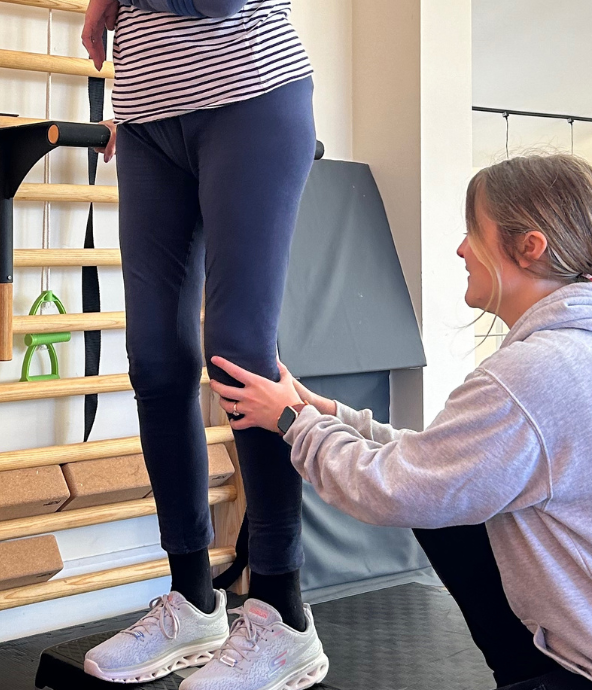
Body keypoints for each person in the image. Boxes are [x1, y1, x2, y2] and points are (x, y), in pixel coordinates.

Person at [63, 0, 325, 688]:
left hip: (251, 104)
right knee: (154, 358)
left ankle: (284, 613)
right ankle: (193, 599)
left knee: (240, 351)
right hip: (155, 117)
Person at [212, 153, 592, 690]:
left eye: (472, 231)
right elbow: (447, 461)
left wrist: (293, 422)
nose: (461, 248)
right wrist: (325, 413)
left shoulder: (533, 376)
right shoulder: (571, 351)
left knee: (438, 504)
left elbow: (399, 489)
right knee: (450, 500)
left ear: (530, 247)